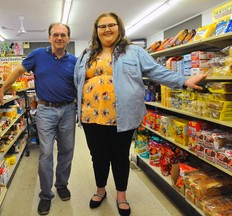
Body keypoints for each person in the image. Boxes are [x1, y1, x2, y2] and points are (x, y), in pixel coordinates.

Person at [73, 12, 206, 216]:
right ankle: (100, 191)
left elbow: (156, 71)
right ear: (96, 30)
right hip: (91, 117)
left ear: (119, 27)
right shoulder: (86, 54)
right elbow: (77, 80)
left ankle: (121, 195)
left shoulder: (134, 52)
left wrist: (184, 81)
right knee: (98, 157)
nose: (107, 29)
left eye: (111, 25)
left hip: (123, 116)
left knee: (119, 157)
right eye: (102, 26)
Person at [0, 23, 77, 215]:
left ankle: (62, 184)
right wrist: (2, 89)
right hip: (45, 109)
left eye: (63, 35)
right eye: (55, 34)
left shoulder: (74, 60)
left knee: (67, 151)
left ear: (68, 38)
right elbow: (18, 71)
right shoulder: (38, 55)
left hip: (68, 110)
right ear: (49, 37)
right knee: (46, 153)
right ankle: (46, 195)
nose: (59, 38)